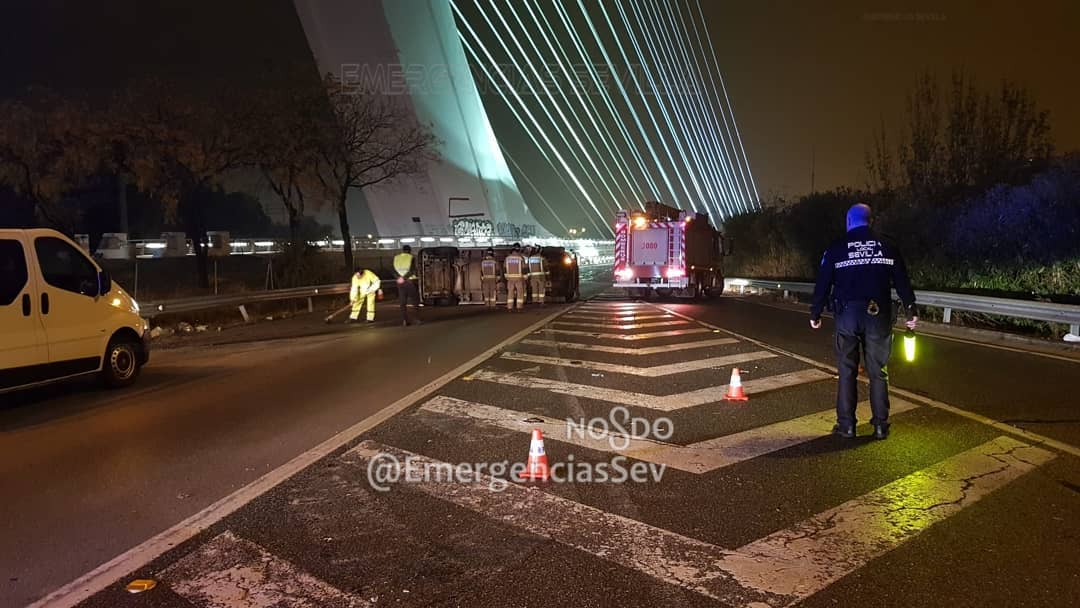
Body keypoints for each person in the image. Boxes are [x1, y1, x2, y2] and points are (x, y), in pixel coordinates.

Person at [810, 203, 917, 440]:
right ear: (871, 220)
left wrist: (815, 313)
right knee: (878, 371)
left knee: (847, 371)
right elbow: (902, 280)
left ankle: (847, 425)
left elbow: (823, 283)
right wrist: (911, 309)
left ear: (849, 221)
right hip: (878, 314)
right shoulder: (887, 245)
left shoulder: (836, 247)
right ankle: (880, 425)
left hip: (847, 315)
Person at [393, 245, 421, 326]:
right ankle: (417, 319)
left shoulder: (396, 257)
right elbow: (412, 270)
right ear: (409, 250)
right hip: (409, 281)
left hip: (399, 282)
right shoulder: (411, 257)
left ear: (403, 250)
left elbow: (393, 270)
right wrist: (404, 278)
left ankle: (405, 320)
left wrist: (399, 278)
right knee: (414, 301)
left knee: (402, 302)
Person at [503, 244, 527, 312]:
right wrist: (525, 277)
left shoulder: (507, 258)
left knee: (510, 292)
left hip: (510, 278)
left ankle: (509, 307)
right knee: (520, 292)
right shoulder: (520, 258)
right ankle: (519, 307)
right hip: (519, 278)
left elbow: (504, 268)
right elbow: (524, 268)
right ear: (519, 249)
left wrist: (506, 276)